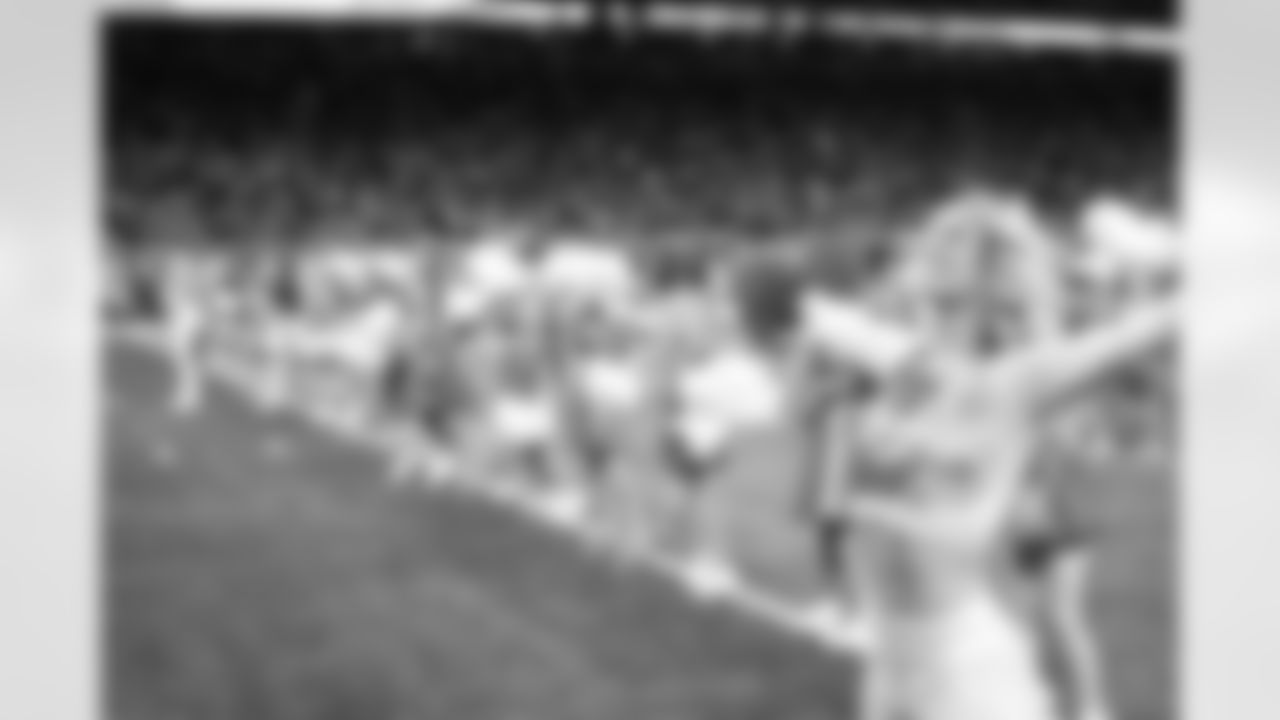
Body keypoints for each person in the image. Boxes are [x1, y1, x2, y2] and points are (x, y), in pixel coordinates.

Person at [799, 192, 1177, 720]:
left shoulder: (1018, 381)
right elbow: (811, 317)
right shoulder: (909, 367)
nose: (950, 317)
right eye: (940, 297)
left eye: (965, 301)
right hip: (890, 672)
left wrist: (1170, 260)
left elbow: (1145, 330)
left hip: (968, 681)